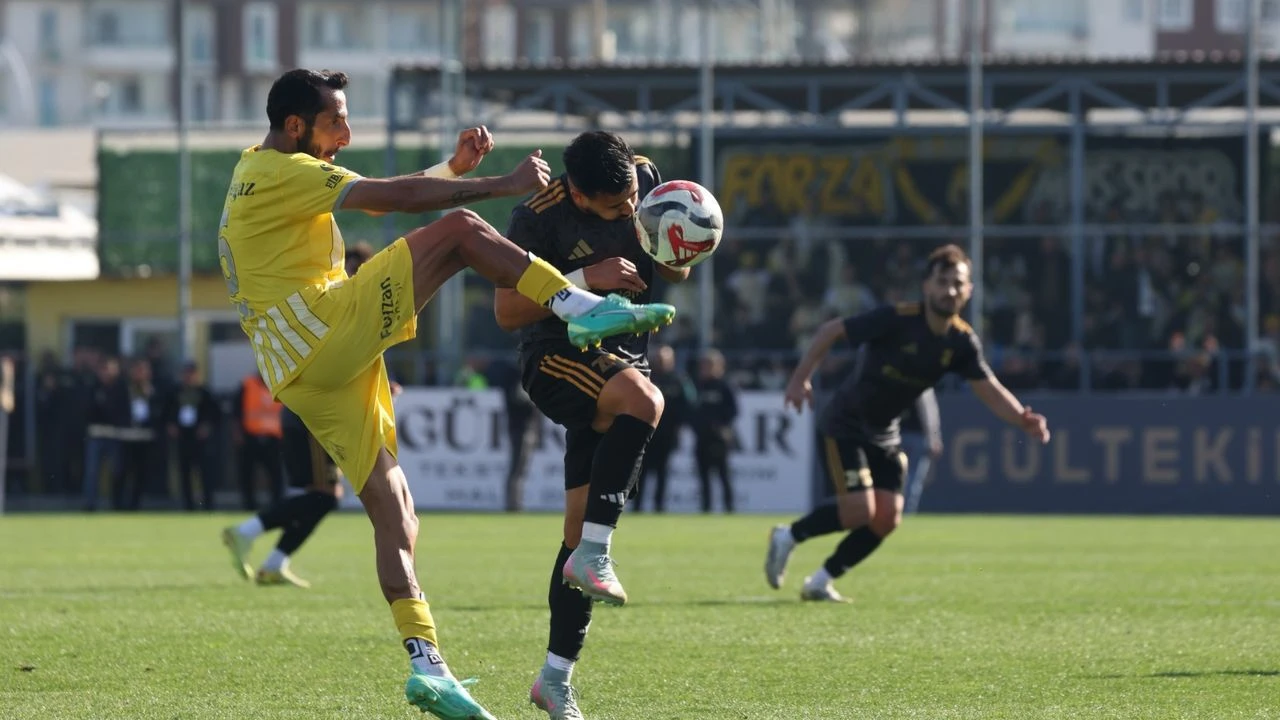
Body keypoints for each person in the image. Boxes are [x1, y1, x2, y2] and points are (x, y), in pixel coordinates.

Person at [215, 69, 675, 720]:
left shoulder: (262, 171)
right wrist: (498, 183)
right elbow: (392, 197)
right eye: (335, 121)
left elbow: (378, 196)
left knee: (396, 513)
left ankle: (427, 665)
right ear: (295, 126)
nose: (346, 132)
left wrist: (452, 166)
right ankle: (577, 304)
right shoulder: (279, 171)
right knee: (460, 229)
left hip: (301, 367)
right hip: (318, 331)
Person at [493, 130, 692, 720]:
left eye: (632, 195)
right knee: (646, 403)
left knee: (577, 529)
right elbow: (506, 311)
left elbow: (672, 272)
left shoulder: (647, 181)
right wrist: (585, 280)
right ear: (577, 193)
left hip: (622, 357)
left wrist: (682, 242)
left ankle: (554, 680)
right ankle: (598, 555)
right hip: (556, 359)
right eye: (614, 207)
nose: (630, 209)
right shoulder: (535, 218)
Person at [764, 244, 1050, 602]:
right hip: (845, 424)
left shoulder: (961, 342)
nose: (949, 290)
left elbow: (988, 388)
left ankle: (820, 581)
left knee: (887, 519)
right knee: (859, 511)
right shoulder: (897, 319)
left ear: (969, 291)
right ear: (926, 286)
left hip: (886, 433)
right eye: (942, 281)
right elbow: (830, 331)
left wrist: (1021, 418)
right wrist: (799, 379)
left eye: (957, 283)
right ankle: (787, 536)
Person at [223, 243, 386, 588]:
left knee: (314, 498)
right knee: (324, 497)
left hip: (310, 412)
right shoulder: (335, 301)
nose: (353, 275)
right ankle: (246, 532)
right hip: (313, 415)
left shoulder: (345, 301)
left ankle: (273, 563)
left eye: (359, 269)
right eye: (350, 267)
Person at [634, 344, 693, 513]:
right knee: (640, 474)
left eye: (664, 359)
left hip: (667, 435)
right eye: (658, 359)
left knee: (662, 473)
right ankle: (637, 508)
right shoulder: (645, 377)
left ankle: (659, 508)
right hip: (645, 434)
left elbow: (689, 404)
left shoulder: (679, 380)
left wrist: (679, 425)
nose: (660, 362)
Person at [167, 361, 221, 511]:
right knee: (185, 472)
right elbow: (167, 414)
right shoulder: (175, 392)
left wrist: (207, 426)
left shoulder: (205, 393)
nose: (188, 377)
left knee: (205, 472)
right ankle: (188, 506)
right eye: (186, 374)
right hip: (183, 437)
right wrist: (171, 425)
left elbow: (215, 415)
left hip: (201, 439)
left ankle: (208, 505)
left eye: (191, 374)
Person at [691, 348, 738, 513]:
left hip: (719, 439)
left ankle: (729, 508)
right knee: (703, 477)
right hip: (702, 438)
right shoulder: (696, 385)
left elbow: (733, 410)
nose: (706, 369)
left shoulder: (724, 386)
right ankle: (706, 509)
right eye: (704, 365)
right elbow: (690, 410)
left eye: (710, 365)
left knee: (723, 476)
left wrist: (721, 426)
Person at [233, 371, 285, 510]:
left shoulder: (280, 385)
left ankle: (277, 505)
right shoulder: (247, 385)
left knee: (276, 475)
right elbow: (237, 411)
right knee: (247, 474)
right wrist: (238, 434)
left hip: (273, 438)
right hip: (250, 437)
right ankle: (248, 505)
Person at [899, 387, 942, 514]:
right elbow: (929, 413)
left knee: (898, 477)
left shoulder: (895, 381)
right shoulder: (922, 383)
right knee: (913, 478)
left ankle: (897, 509)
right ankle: (906, 511)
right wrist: (933, 438)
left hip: (896, 436)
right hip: (917, 436)